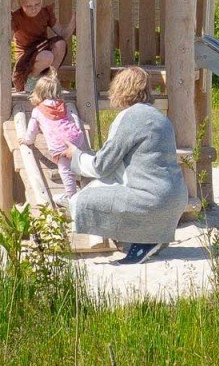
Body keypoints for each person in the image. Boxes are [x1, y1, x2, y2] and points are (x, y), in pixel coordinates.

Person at [69, 66, 188, 265]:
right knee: (109, 186)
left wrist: (75, 156)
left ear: (121, 88)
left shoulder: (130, 116)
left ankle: (145, 239)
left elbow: (101, 166)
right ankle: (152, 236)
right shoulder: (159, 116)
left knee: (80, 201)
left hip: (152, 200)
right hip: (175, 197)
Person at [20, 73, 89, 200]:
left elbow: (32, 131)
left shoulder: (37, 111)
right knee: (75, 161)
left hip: (61, 144)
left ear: (38, 92)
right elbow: (65, 122)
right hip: (76, 137)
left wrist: (27, 141)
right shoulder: (63, 106)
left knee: (65, 170)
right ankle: (79, 170)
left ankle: (71, 197)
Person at [11, 0, 75, 93]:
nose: (34, 8)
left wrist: (74, 20)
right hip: (26, 56)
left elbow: (62, 34)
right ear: (20, 3)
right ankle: (31, 80)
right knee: (47, 56)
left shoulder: (45, 13)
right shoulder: (16, 17)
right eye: (28, 6)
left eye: (37, 4)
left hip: (42, 49)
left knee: (60, 43)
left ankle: (50, 79)